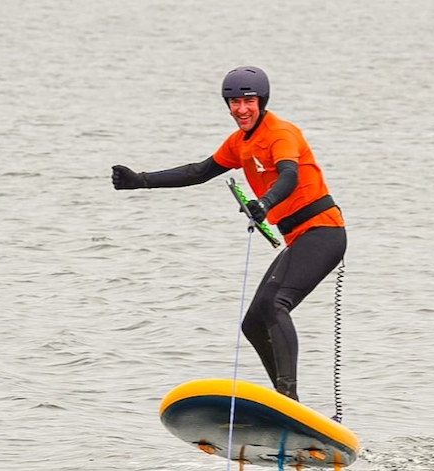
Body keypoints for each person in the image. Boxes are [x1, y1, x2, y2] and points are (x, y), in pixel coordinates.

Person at [111, 66, 345, 403]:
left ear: (261, 101)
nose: (241, 109)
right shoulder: (240, 143)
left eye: (248, 100)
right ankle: (285, 402)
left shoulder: (281, 134)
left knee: (276, 306)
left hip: (324, 231)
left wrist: (264, 202)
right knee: (253, 323)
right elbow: (199, 172)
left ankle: (288, 398)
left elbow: (289, 175)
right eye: (234, 102)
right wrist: (141, 180)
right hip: (300, 236)